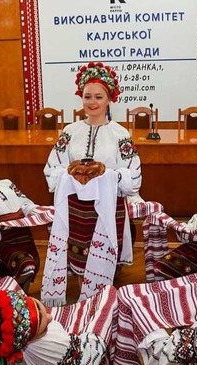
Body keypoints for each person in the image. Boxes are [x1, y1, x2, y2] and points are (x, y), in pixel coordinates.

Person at [42, 61, 142, 306]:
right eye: (87, 96)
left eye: (99, 96)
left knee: (105, 260)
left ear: (109, 99)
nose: (92, 102)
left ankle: (103, 305)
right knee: (78, 258)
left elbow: (134, 177)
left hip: (108, 209)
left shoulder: (120, 134)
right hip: (76, 208)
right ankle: (81, 306)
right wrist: (70, 171)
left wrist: (107, 174)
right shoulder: (70, 131)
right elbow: (51, 169)